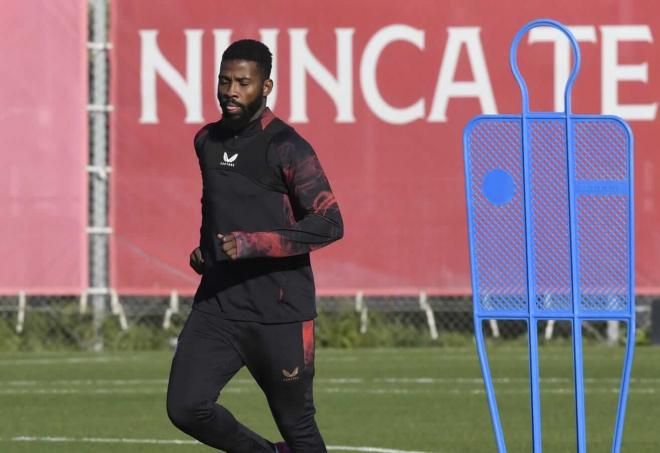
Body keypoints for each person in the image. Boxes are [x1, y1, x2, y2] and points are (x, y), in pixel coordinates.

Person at [166, 39, 343, 453]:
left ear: (266, 87)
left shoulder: (288, 147)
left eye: (243, 82)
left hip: (280, 313)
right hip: (219, 306)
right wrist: (206, 251)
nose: (230, 91)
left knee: (298, 429)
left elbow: (330, 223)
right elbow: (220, 207)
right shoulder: (206, 140)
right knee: (186, 407)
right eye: (224, 81)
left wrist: (251, 244)